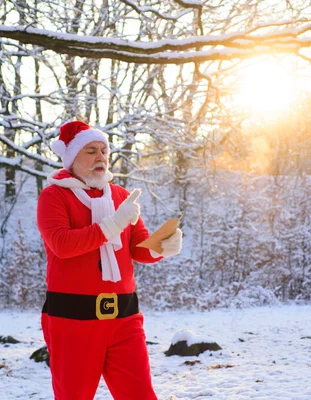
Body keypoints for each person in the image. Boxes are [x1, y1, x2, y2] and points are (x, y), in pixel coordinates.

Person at [36, 120, 183, 400]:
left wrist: (161, 247)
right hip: (72, 320)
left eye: (103, 150)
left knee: (140, 395)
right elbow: (62, 245)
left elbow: (138, 248)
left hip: (124, 318)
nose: (101, 156)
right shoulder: (53, 196)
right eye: (90, 151)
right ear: (71, 158)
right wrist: (113, 224)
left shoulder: (121, 196)